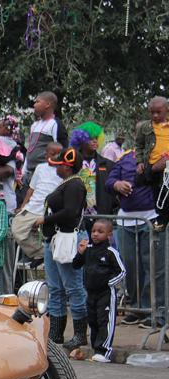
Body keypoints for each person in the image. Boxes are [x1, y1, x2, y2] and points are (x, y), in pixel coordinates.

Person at [106, 121, 165, 328]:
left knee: (153, 268)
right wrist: (116, 184)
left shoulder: (161, 156)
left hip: (151, 220)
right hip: (126, 222)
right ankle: (137, 309)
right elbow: (108, 182)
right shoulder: (124, 157)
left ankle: (155, 312)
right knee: (130, 266)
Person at [34, 147, 88, 348]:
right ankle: (56, 333)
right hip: (55, 239)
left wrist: (44, 219)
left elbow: (71, 213)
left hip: (68, 239)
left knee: (73, 286)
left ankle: (80, 334)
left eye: (59, 165)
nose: (56, 168)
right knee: (55, 288)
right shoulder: (67, 184)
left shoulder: (75, 185)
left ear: (67, 166)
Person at [72, 220, 126, 362]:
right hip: (91, 293)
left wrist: (108, 283)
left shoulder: (110, 252)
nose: (95, 234)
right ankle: (96, 349)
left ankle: (104, 351)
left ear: (109, 235)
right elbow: (76, 265)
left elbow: (121, 271)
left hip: (106, 293)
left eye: (100, 232)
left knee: (104, 320)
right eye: (94, 231)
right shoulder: (88, 250)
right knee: (93, 320)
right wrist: (80, 252)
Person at [11, 142, 63, 267]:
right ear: (46, 155)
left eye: (59, 154)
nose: (56, 156)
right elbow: (31, 189)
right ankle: (41, 253)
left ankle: (49, 255)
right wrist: (23, 206)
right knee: (17, 229)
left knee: (52, 236)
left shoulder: (63, 169)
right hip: (34, 207)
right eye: (53, 154)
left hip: (50, 210)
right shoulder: (40, 168)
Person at [69, 122, 116, 226]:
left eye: (96, 138)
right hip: (77, 217)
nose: (95, 141)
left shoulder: (108, 164)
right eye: (90, 138)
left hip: (101, 217)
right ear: (81, 141)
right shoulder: (72, 163)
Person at [135, 96, 169, 228]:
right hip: (153, 165)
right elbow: (139, 145)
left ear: (166, 111)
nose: (155, 115)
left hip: (167, 165)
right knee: (158, 191)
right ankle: (161, 218)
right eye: (152, 112)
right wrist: (139, 162)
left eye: (158, 112)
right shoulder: (145, 127)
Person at [24, 92, 69, 189]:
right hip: (29, 172)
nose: (34, 105)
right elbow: (30, 150)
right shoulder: (34, 125)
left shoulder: (54, 124)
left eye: (37, 102)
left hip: (45, 173)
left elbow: (62, 149)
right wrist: (23, 171)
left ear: (47, 104)